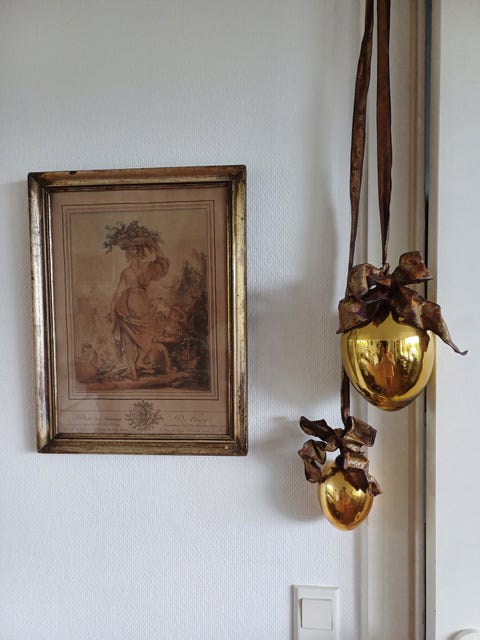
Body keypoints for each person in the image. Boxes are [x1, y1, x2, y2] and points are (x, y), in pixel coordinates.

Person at [109, 238, 169, 380]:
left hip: (133, 306)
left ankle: (136, 365)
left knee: (137, 337)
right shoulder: (142, 269)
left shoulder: (138, 270)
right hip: (133, 306)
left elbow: (117, 293)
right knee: (133, 338)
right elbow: (162, 263)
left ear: (135, 255)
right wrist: (155, 245)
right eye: (133, 255)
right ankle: (133, 369)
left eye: (133, 255)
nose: (133, 258)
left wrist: (154, 244)